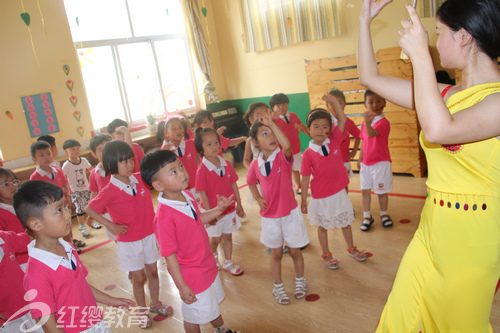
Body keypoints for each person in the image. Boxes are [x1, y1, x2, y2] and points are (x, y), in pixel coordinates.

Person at [358, 0, 500, 331]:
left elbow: (440, 130)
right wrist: (364, 21)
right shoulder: (446, 94)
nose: (434, 41)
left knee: (456, 325)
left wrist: (422, 57)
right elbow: (370, 76)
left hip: (474, 237)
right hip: (431, 228)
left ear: (464, 36)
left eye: (439, 32)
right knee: (397, 320)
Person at [13, 180, 135, 332]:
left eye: (65, 206)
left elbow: (81, 285)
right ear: (36, 224)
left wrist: (111, 301)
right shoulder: (36, 273)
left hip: (95, 322)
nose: (66, 215)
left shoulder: (68, 248)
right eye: (58, 210)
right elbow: (48, 323)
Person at [140, 149, 241, 333]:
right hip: (192, 277)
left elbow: (197, 219)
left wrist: (218, 210)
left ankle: (221, 329)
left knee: (211, 305)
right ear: (158, 185)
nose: (182, 172)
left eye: (180, 166)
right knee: (193, 316)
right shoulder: (164, 218)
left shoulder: (185, 196)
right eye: (173, 171)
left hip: (206, 265)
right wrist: (181, 286)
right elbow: (169, 256)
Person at [85, 140, 173, 328]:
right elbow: (90, 209)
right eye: (123, 161)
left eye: (130, 160)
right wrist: (111, 226)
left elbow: (157, 173)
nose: (129, 164)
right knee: (139, 278)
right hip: (129, 241)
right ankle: (141, 311)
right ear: (110, 165)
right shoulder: (109, 190)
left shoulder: (140, 178)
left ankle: (155, 304)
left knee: (154, 272)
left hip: (149, 235)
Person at [246, 110, 309, 305]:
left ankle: (300, 280)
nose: (271, 137)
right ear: (255, 142)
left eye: (273, 133)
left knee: (295, 251)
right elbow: (250, 181)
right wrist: (257, 198)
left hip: (290, 213)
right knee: (275, 254)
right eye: (264, 134)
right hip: (270, 217)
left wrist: (272, 124)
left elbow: (288, 145)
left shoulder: (283, 157)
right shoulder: (255, 165)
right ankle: (278, 286)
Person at [301, 98, 367, 270]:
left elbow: (343, 119)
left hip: (339, 192)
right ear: (308, 129)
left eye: (325, 126)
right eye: (316, 126)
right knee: (323, 226)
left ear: (330, 129)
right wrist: (302, 200)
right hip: (320, 196)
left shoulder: (336, 139)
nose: (321, 130)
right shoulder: (307, 154)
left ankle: (351, 248)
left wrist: (334, 103)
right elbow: (306, 176)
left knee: (345, 222)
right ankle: (326, 254)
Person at [194, 127, 244, 276]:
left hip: (228, 210)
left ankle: (228, 262)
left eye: (216, 142)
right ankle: (214, 259)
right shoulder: (202, 170)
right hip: (214, 212)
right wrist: (212, 214)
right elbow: (202, 193)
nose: (215, 146)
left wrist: (239, 203)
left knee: (228, 236)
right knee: (215, 238)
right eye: (209, 144)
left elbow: (234, 184)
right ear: (201, 150)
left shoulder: (226, 163)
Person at [30, 140, 86, 251]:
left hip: (63, 205)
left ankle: (70, 244)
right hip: (49, 209)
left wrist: (68, 197)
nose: (46, 157)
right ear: (34, 159)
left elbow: (65, 184)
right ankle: (63, 247)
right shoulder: (35, 177)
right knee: (56, 228)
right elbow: (35, 195)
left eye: (48, 154)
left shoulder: (58, 171)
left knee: (67, 224)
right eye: (42, 155)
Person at [356, 90, 393, 231]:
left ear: (384, 103)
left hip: (380, 164)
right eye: (370, 102)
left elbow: (371, 134)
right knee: (365, 191)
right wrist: (360, 159)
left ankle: (384, 214)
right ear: (365, 105)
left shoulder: (384, 123)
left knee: (381, 192)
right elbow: (364, 142)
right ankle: (367, 216)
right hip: (366, 164)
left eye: (378, 101)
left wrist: (366, 123)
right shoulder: (365, 123)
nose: (375, 104)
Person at [0, 230, 43, 333]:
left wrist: (32, 222)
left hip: (26, 302)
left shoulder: (4, 237)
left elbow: (27, 240)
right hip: (5, 317)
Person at [270, 93, 308, 195]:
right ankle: (285, 188)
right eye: (278, 106)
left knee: (295, 169)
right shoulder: (271, 120)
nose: (281, 107)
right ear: (273, 108)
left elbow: (302, 127)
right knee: (283, 171)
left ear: (288, 104)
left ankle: (298, 186)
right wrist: (270, 118)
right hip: (281, 151)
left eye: (284, 104)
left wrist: (305, 130)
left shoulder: (294, 115)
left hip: (295, 149)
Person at [62, 139, 101, 239]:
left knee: (91, 206)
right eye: (73, 149)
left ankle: (92, 221)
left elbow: (92, 170)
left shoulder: (83, 160)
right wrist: (67, 193)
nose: (76, 151)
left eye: (78, 148)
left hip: (87, 188)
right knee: (80, 209)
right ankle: (82, 226)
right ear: (66, 151)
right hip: (75, 191)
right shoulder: (66, 165)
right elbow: (63, 179)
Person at [157, 117, 200, 203]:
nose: (178, 130)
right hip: (178, 189)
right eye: (174, 128)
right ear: (166, 133)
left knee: (200, 210)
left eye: (180, 127)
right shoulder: (165, 151)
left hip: (196, 186)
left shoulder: (191, 143)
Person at [327, 89, 361, 190]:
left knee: (344, 184)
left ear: (344, 104)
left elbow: (358, 136)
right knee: (332, 185)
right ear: (327, 106)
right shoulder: (326, 122)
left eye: (339, 103)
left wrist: (354, 151)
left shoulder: (348, 122)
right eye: (332, 103)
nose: (336, 106)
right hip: (330, 160)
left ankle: (345, 205)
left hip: (344, 159)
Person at [0, 168, 28, 269]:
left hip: (38, 251)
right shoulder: (2, 213)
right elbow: (4, 242)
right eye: (6, 184)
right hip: (21, 261)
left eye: (14, 182)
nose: (13, 186)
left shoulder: (24, 203)